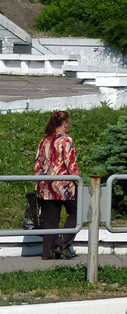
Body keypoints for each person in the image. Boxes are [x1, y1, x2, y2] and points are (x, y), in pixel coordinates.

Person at [34, 110, 79, 261]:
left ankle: (48, 252)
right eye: (70, 122)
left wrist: (39, 183)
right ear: (65, 124)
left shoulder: (44, 141)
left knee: (50, 220)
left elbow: (37, 164)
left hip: (46, 185)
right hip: (64, 185)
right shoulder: (66, 141)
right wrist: (77, 180)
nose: (70, 125)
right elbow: (71, 164)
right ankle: (61, 244)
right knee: (77, 213)